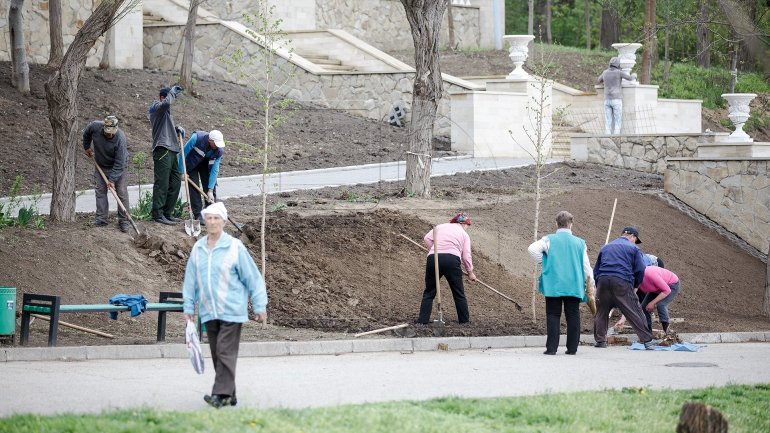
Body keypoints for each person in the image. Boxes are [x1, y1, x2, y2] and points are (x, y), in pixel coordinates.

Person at [182, 202, 267, 409]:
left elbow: (253, 278)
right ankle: (231, 394)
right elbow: (190, 280)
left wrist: (259, 305)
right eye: (209, 218)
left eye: (216, 218)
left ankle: (219, 394)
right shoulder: (198, 248)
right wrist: (188, 307)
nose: (212, 222)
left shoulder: (234, 247)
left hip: (232, 310)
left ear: (224, 221)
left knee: (225, 351)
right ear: (204, 221)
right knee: (217, 353)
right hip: (209, 311)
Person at [528, 211, 594, 355]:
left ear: (556, 223)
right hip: (574, 284)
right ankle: (572, 348)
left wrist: (544, 262)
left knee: (553, 315)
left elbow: (532, 249)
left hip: (554, 284)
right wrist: (591, 283)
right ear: (571, 224)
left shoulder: (548, 239)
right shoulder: (580, 243)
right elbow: (586, 266)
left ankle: (551, 348)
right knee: (573, 315)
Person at [593, 226, 658, 349]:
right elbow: (640, 269)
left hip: (603, 280)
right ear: (633, 237)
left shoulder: (606, 247)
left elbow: (596, 270)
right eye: (635, 239)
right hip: (622, 281)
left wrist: (599, 285)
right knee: (634, 309)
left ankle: (600, 341)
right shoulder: (634, 248)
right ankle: (647, 340)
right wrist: (635, 286)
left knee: (601, 311)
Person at [417, 212, 477, 325]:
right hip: (452, 260)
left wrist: (434, 251)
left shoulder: (440, 227)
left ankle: (422, 322)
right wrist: (470, 272)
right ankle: (464, 322)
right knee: (458, 292)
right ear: (465, 224)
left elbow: (427, 238)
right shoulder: (464, 234)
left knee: (429, 292)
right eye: (468, 226)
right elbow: (466, 255)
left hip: (433, 259)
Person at [82, 115, 130, 233]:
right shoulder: (95, 126)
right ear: (103, 127)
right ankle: (101, 219)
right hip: (101, 166)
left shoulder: (120, 138)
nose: (109, 135)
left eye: (111, 133)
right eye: (107, 132)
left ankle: (124, 221)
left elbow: (120, 163)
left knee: (122, 193)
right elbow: (86, 133)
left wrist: (112, 180)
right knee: (100, 192)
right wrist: (87, 147)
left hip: (118, 167)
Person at [149, 84, 185, 225]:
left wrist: (176, 129)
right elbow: (165, 104)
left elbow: (166, 127)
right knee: (162, 183)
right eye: (169, 97)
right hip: (162, 149)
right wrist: (172, 93)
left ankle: (167, 213)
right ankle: (157, 214)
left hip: (172, 150)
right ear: (163, 97)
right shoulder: (156, 107)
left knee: (175, 182)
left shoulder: (166, 113)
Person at [179, 130, 225, 225]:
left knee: (210, 186)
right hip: (192, 163)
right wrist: (181, 171)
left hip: (206, 165)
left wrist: (210, 190)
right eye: (215, 143)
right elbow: (182, 154)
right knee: (194, 186)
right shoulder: (196, 138)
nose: (217, 146)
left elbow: (215, 170)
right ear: (210, 140)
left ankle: (210, 213)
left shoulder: (219, 150)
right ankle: (198, 214)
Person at [638, 260, 680, 334]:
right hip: (656, 288)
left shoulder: (651, 275)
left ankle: (667, 332)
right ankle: (648, 334)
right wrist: (623, 319)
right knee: (643, 307)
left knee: (661, 304)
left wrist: (652, 303)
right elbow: (631, 298)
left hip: (671, 285)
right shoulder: (635, 279)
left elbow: (667, 290)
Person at [597, 57, 635, 135]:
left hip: (607, 99)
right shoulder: (619, 72)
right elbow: (630, 78)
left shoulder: (605, 72)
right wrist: (634, 75)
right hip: (616, 99)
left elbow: (599, 80)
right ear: (618, 64)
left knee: (608, 121)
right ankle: (616, 137)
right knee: (617, 120)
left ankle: (607, 136)